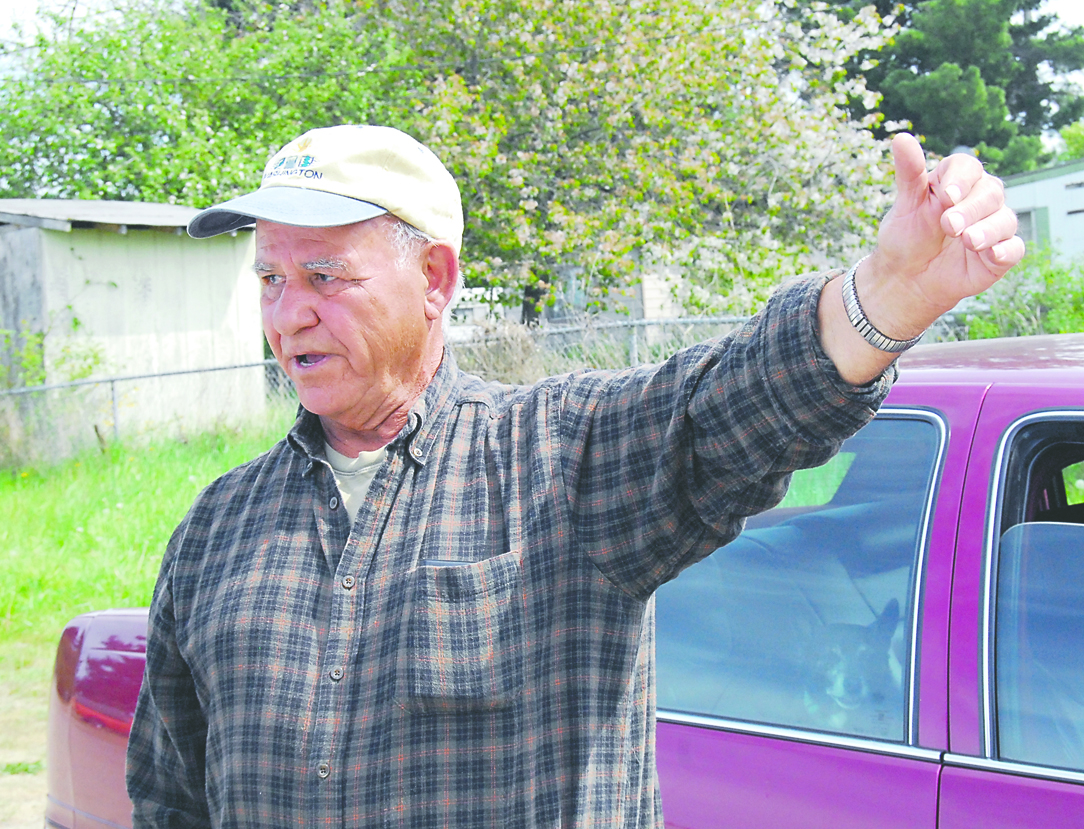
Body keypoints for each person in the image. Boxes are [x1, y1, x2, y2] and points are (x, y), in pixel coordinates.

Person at [126, 124, 1022, 828]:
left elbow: (732, 406)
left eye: (324, 275)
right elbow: (170, 798)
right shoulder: (218, 526)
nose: (289, 313)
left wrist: (887, 297)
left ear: (434, 277)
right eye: (271, 279)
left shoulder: (560, 457)